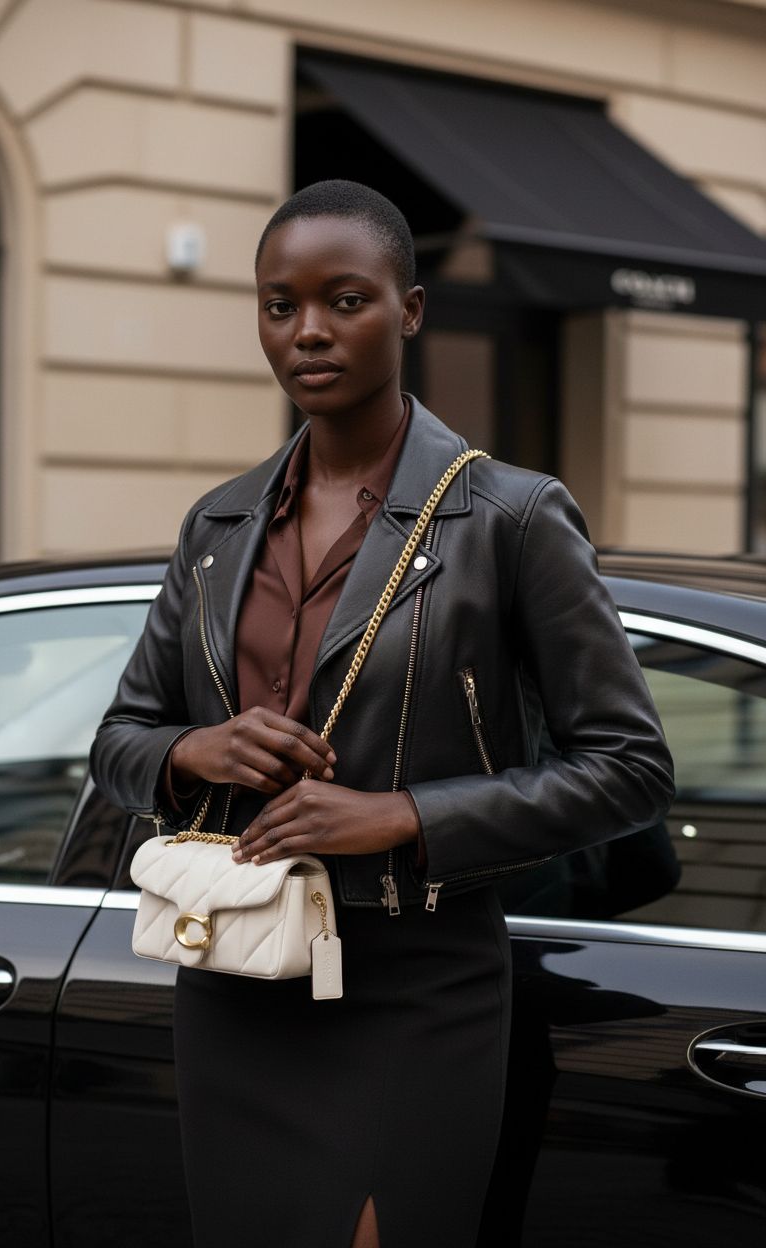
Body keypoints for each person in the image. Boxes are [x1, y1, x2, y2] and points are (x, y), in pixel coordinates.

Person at [90, 180, 674, 1248]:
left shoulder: (510, 518)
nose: (307, 330)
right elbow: (118, 743)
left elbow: (629, 768)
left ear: (409, 310)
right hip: (238, 971)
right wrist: (194, 748)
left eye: (344, 299)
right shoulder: (217, 523)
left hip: (418, 983)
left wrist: (402, 814)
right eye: (279, 305)